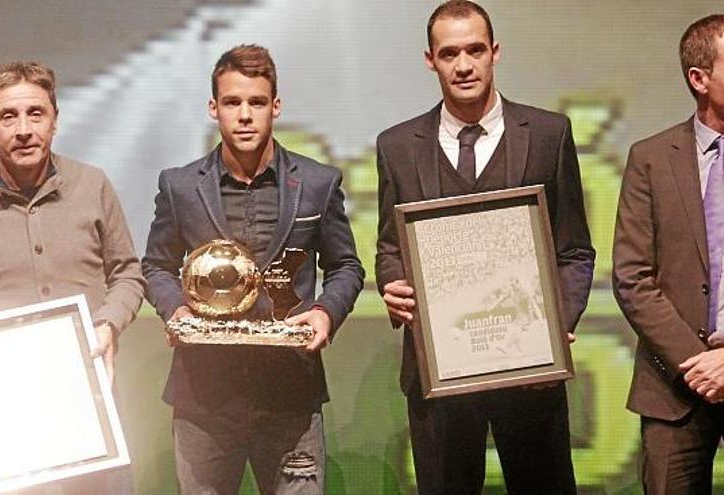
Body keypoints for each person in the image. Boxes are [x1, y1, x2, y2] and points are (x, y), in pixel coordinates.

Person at [374, 1, 595, 493]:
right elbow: (391, 246)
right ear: (431, 60)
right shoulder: (397, 145)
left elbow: (575, 251)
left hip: (529, 370)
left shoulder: (547, 134)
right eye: (450, 53)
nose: (464, 64)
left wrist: (555, 325)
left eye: (475, 49)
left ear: (495, 52)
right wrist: (393, 286)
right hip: (440, 372)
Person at [142, 44, 364, 494]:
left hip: (289, 394)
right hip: (204, 396)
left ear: (275, 107)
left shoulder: (319, 183)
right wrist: (174, 311)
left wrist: (325, 312)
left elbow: (346, 266)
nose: (244, 115)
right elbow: (156, 266)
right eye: (232, 102)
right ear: (214, 108)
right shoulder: (180, 186)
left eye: (256, 102)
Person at [0, 61, 145, 494]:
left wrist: (107, 324)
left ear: (55, 120)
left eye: (35, 113)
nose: (23, 129)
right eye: (8, 116)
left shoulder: (92, 185)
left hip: (89, 404)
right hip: (7, 415)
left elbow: (127, 273)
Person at [613, 14, 724, 494]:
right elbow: (632, 277)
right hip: (676, 387)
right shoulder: (651, 158)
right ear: (699, 79)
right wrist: (698, 361)